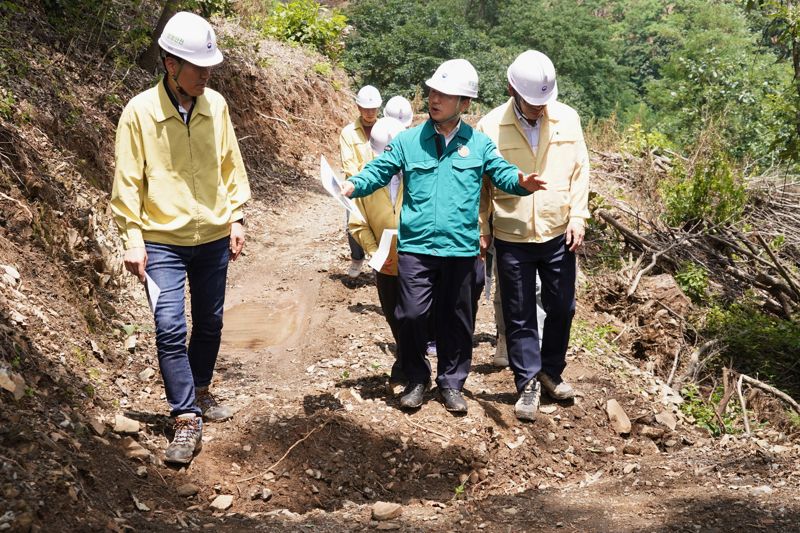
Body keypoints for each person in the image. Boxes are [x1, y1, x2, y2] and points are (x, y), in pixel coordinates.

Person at [341, 59, 545, 414]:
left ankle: (451, 383)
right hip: (417, 248)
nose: (434, 99)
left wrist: (522, 184)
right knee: (410, 315)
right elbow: (378, 170)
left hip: (460, 250)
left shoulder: (479, 145)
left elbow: (503, 175)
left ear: (464, 103)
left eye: (445, 95)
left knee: (457, 320)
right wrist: (353, 184)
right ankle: (417, 378)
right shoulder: (408, 141)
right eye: (433, 92)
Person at [111, 11, 251, 463]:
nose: (207, 75)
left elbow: (230, 164)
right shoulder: (139, 113)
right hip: (160, 240)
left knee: (210, 322)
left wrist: (237, 217)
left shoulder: (217, 107)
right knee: (170, 325)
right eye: (199, 67)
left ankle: (202, 388)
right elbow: (128, 181)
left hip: (212, 235)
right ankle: (185, 415)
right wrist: (132, 237)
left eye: (210, 66)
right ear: (171, 64)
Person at [477, 50, 589, 421]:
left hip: (558, 232)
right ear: (512, 89)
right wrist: (483, 227)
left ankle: (550, 371)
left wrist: (578, 216)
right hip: (512, 233)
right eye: (532, 102)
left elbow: (580, 171)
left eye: (544, 101)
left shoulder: (568, 119)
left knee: (563, 307)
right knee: (520, 313)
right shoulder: (490, 126)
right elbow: (481, 185)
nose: (539, 108)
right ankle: (526, 381)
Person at [348, 117, 407, 391]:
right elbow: (357, 222)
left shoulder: (419, 173)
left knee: (417, 314)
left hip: (417, 254)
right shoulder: (365, 176)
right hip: (384, 259)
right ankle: (407, 361)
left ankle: (410, 365)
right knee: (393, 312)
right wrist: (375, 252)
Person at [339, 85, 382, 278]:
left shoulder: (384, 129)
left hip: (380, 187)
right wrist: (361, 183)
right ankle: (357, 259)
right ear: (358, 107)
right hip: (354, 187)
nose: (370, 112)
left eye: (373, 109)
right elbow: (349, 164)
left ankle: (379, 263)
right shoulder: (348, 133)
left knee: (380, 225)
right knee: (353, 225)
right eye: (366, 108)